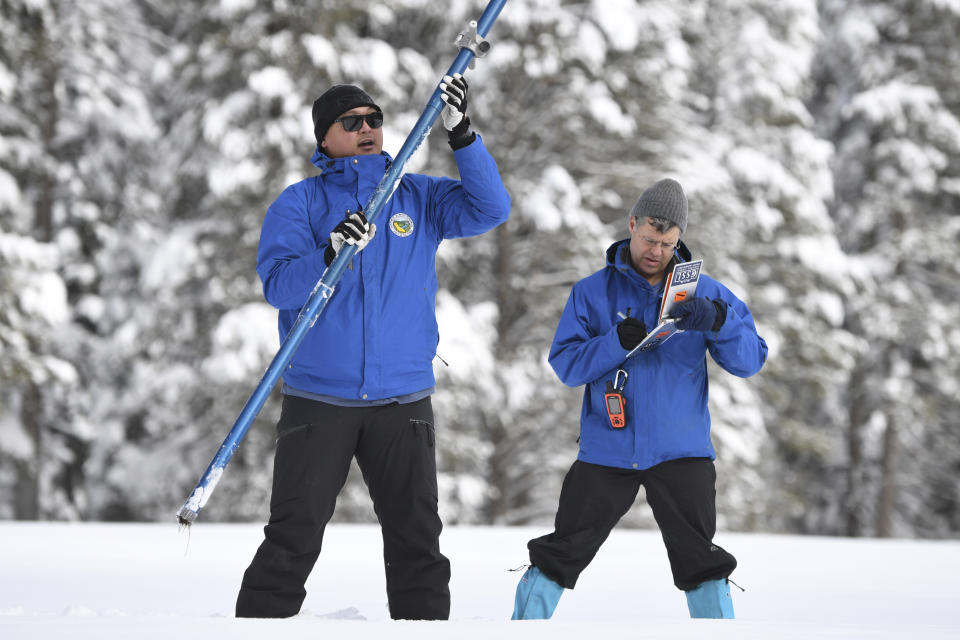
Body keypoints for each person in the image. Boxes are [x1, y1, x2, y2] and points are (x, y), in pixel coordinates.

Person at [235, 74, 510, 620]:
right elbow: (279, 284)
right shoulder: (301, 203)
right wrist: (330, 250)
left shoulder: (417, 196)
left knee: (417, 540)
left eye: (375, 120)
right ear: (324, 138)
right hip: (320, 400)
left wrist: (463, 136)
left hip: (402, 401)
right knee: (294, 534)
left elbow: (490, 209)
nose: (367, 130)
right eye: (351, 122)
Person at [511, 178, 767, 620]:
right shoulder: (591, 293)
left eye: (668, 243)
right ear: (632, 224)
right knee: (561, 552)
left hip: (682, 451)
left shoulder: (706, 293)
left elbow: (750, 361)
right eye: (649, 238)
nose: (656, 251)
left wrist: (721, 321)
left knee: (702, 562)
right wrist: (613, 343)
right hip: (608, 450)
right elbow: (566, 366)